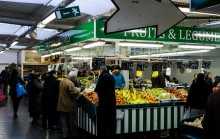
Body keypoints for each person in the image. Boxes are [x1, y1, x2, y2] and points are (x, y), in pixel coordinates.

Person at [57, 71, 81, 139]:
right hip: (69, 104)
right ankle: (73, 134)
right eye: (75, 78)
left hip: (61, 103)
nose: (76, 79)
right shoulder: (70, 83)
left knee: (63, 120)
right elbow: (73, 94)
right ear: (73, 77)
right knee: (72, 120)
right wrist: (79, 89)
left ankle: (64, 134)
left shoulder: (63, 81)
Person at [94, 66, 116, 137]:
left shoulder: (102, 77)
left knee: (103, 118)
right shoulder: (112, 76)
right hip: (112, 100)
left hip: (104, 101)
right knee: (111, 118)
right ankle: (111, 133)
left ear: (101, 71)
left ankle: (103, 133)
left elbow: (98, 88)